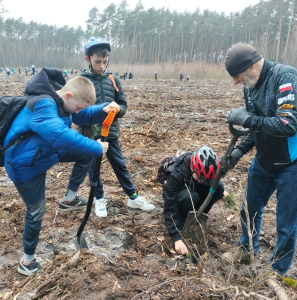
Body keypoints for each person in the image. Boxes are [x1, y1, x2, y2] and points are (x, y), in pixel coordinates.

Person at [3, 67, 120, 276]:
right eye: (75, 107)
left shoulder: (62, 101)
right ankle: (27, 261)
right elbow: (59, 135)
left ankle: (69, 198)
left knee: (85, 154)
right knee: (36, 211)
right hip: (24, 165)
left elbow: (81, 113)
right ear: (68, 95)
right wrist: (96, 147)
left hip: (42, 154)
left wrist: (102, 109)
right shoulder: (44, 104)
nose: (76, 112)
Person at [222, 42, 297, 276]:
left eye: (236, 75)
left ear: (251, 66)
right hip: (264, 161)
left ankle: (278, 270)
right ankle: (246, 250)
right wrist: (238, 152)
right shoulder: (250, 86)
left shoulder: (285, 78)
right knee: (249, 209)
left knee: (286, 223)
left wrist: (249, 120)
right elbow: (255, 130)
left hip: (292, 163)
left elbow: (288, 124)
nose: (235, 81)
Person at [68, 37, 155, 218]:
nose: (101, 66)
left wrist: (117, 110)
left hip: (111, 133)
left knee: (120, 166)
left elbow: (123, 104)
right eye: (97, 62)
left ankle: (133, 197)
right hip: (90, 134)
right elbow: (75, 109)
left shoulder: (112, 79)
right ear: (88, 59)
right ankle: (99, 199)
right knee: (94, 169)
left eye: (105, 62)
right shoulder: (81, 80)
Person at [163, 146, 226, 255]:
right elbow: (169, 207)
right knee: (189, 197)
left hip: (195, 191)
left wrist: (220, 192)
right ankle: (184, 219)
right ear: (193, 168)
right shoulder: (176, 174)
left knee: (219, 187)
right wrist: (176, 238)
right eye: (200, 178)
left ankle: (200, 217)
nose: (203, 181)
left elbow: (213, 181)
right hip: (182, 198)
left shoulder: (208, 168)